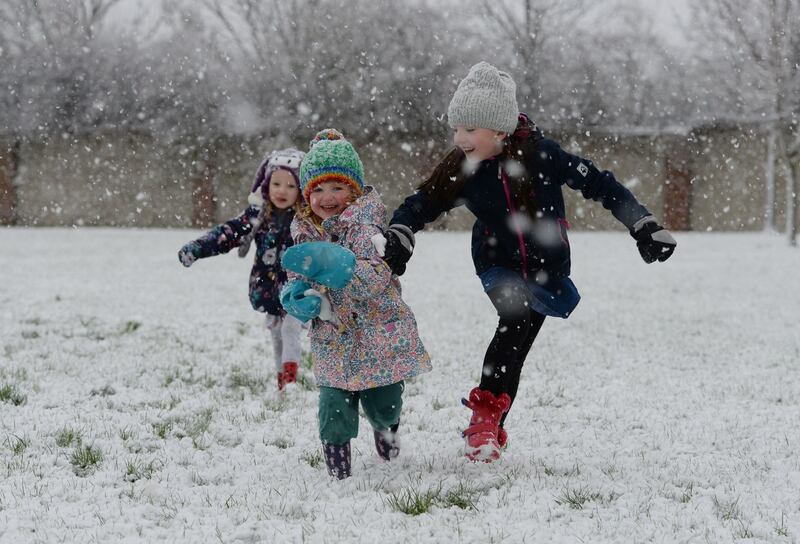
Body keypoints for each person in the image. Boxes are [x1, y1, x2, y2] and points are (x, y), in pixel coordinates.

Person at [381, 62, 677, 462]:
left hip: (546, 268)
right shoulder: (463, 169)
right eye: (457, 128)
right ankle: (483, 420)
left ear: (500, 129)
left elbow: (600, 184)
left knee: (517, 347)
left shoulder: (544, 155)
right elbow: (421, 203)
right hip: (496, 264)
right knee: (514, 318)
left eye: (470, 129)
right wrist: (402, 231)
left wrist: (642, 223)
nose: (460, 138)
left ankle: (492, 428)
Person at [280, 129, 432, 479]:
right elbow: (297, 273)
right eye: (317, 189)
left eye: (337, 187)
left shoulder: (367, 226)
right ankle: (338, 464)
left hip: (378, 332)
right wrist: (296, 296)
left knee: (384, 401)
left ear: (354, 189)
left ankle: (387, 426)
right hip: (334, 335)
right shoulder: (303, 230)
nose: (327, 197)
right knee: (333, 405)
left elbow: (378, 276)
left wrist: (342, 269)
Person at [178, 148, 306, 391]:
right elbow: (228, 233)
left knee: (291, 327)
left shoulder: (306, 220)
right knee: (277, 333)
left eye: (291, 186)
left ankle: (291, 381)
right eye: (276, 183)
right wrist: (197, 248)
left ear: (301, 189)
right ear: (266, 184)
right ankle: (282, 382)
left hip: (298, 288)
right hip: (268, 286)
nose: (282, 191)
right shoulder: (258, 216)